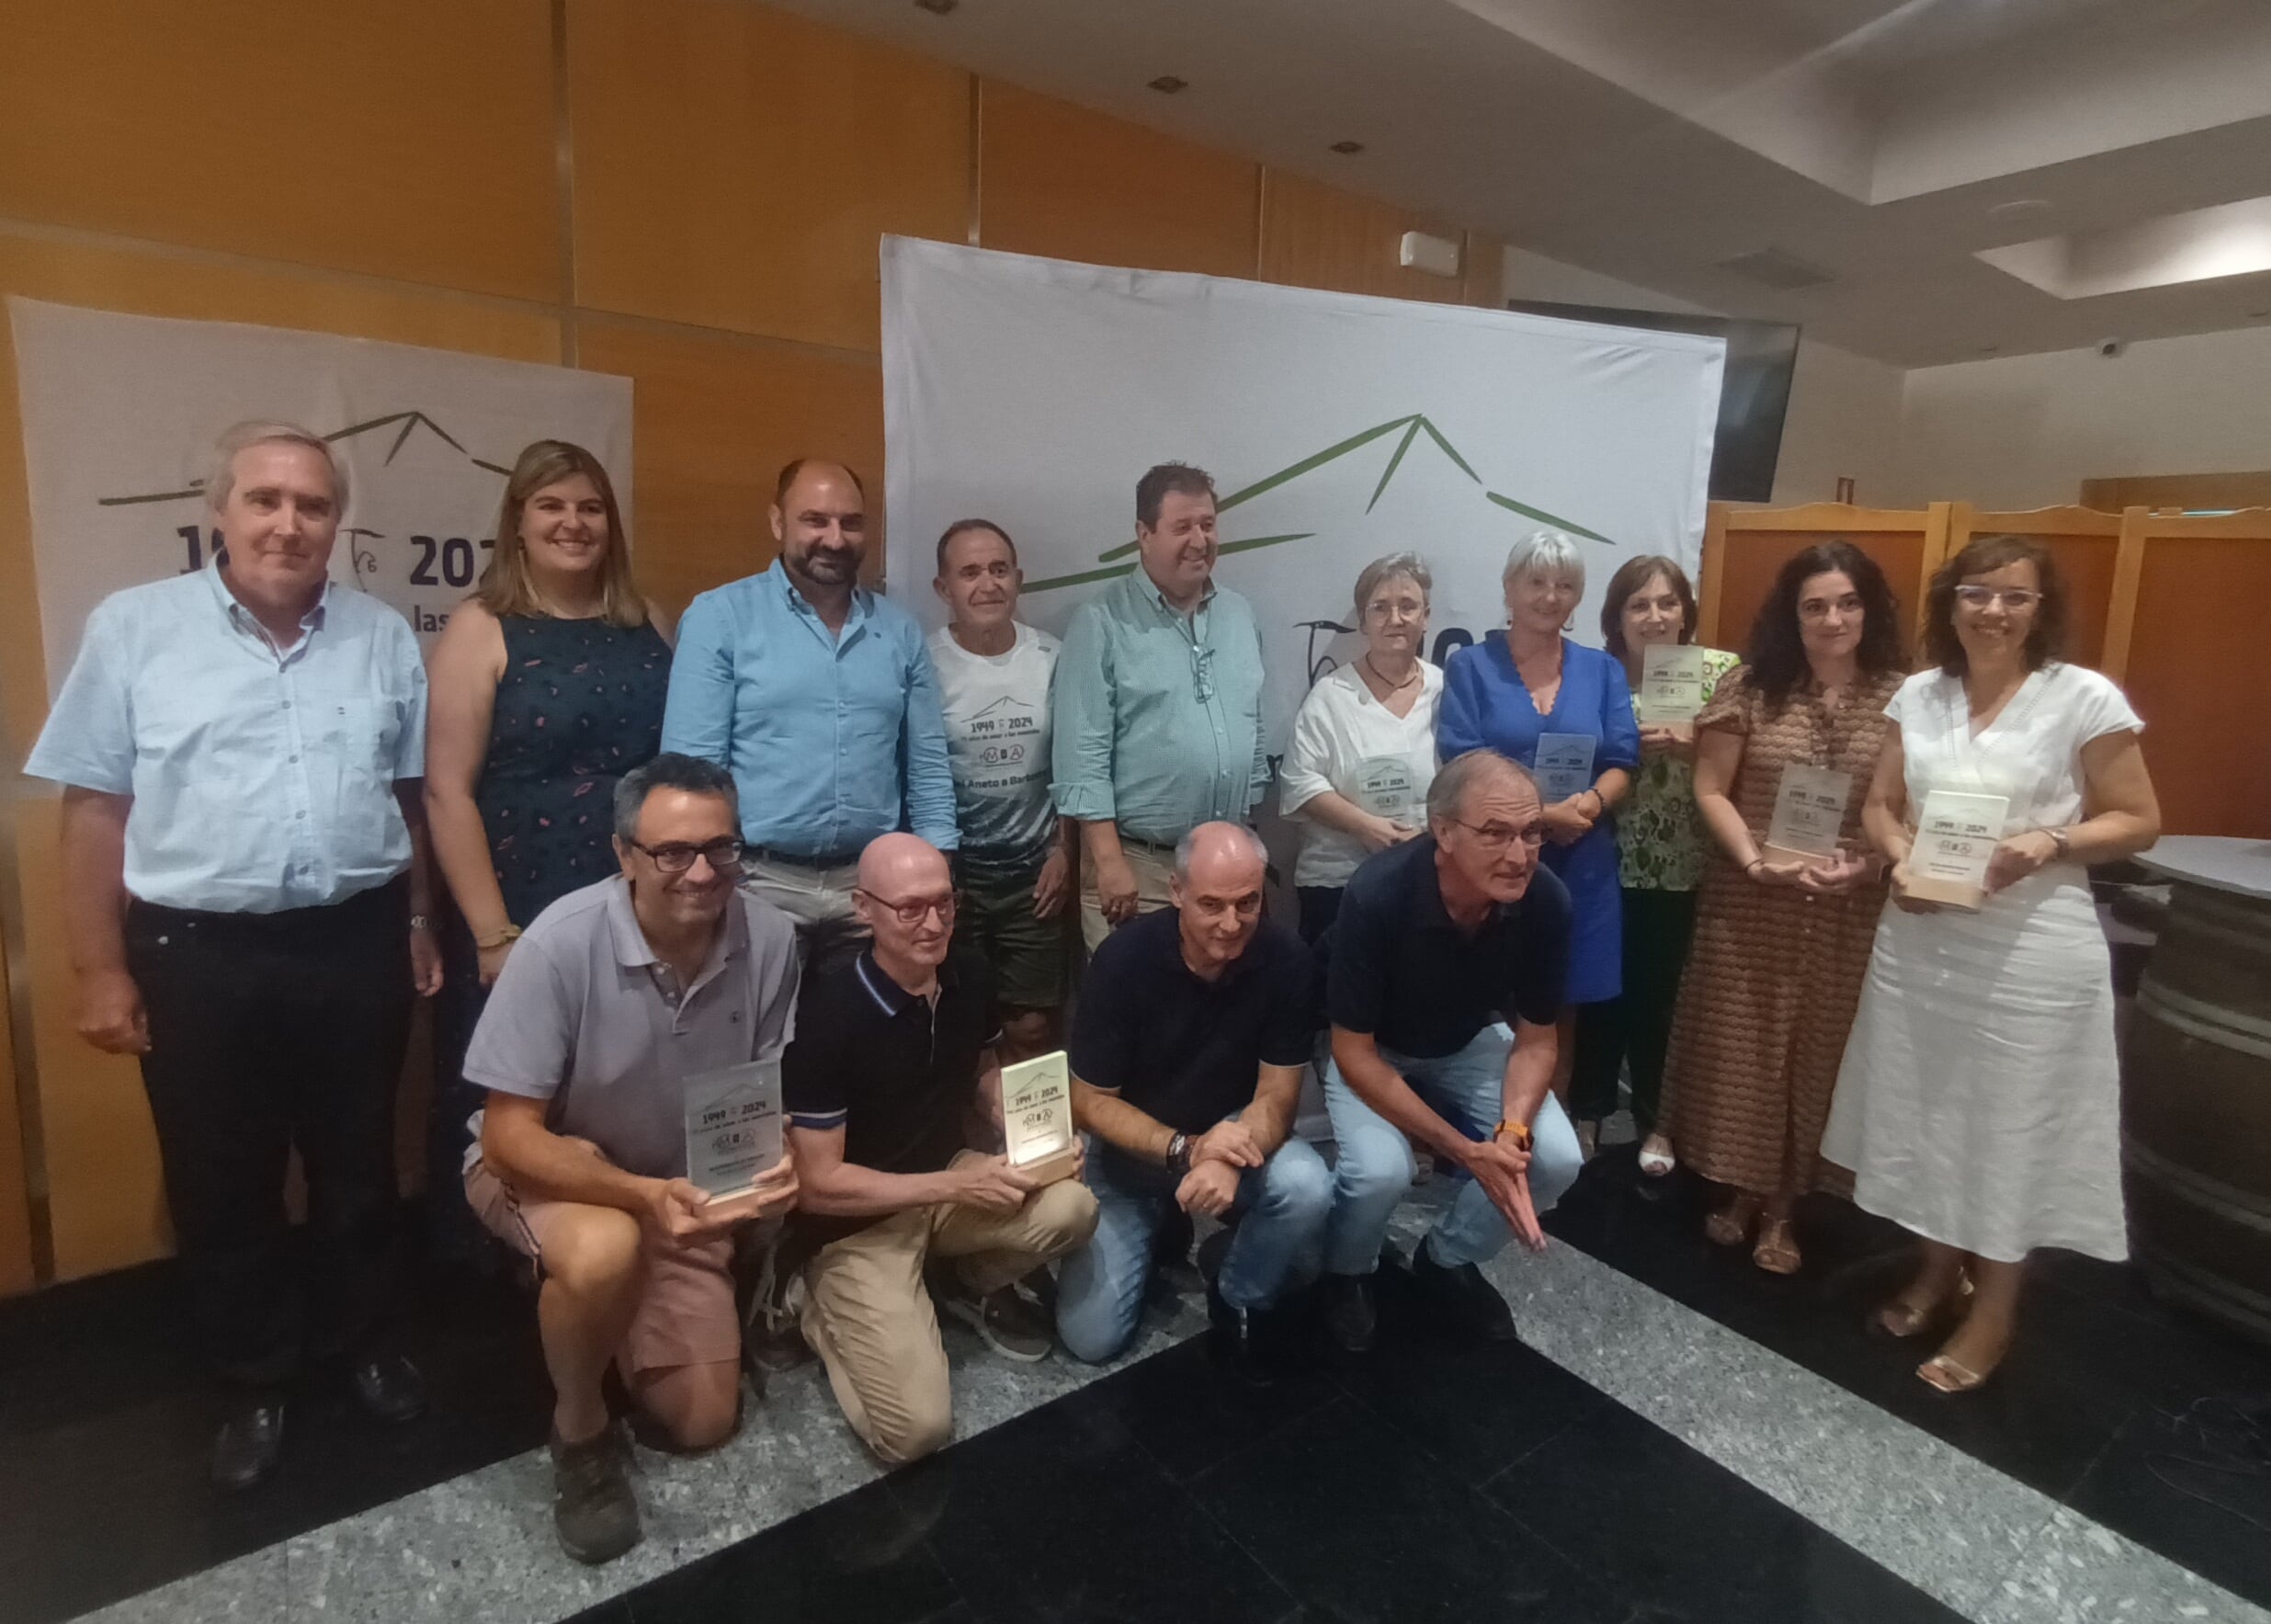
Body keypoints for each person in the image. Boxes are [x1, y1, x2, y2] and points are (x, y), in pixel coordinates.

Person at [26, 420, 441, 1492]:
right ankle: (254, 1374)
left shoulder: (382, 636)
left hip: (353, 940)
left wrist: (414, 921)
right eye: (265, 500)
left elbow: (409, 802)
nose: (287, 523)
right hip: (196, 953)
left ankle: (363, 1343)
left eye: (311, 505)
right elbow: (93, 809)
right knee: (223, 1180)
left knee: (358, 1162)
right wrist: (100, 968)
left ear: (336, 523)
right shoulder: (135, 629)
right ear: (220, 510)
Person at [1825, 537, 2160, 1392]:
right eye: (1977, 593)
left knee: (2006, 1129)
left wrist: (2049, 839)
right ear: (1951, 601)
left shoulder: (2082, 698)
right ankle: (1938, 1270)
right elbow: (1879, 805)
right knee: (1926, 1111)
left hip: (2029, 952)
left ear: (2040, 609)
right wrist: (1898, 855)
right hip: (1923, 936)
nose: (1993, 611)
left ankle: (1995, 1310)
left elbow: (2137, 819)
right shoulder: (1919, 693)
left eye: (2015, 597)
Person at [461, 754, 800, 1563]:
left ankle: (595, 1302)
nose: (701, 871)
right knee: (602, 1247)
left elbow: (757, 1095)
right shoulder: (557, 943)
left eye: (721, 848)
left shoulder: (775, 936)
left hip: (676, 1189)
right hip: (552, 1170)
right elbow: (508, 1136)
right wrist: (639, 1196)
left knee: (703, 1418)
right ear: (624, 855)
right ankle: (579, 1429)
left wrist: (773, 1156)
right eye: (671, 851)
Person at [423, 440, 672, 1266]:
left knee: (615, 1085)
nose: (574, 522)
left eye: (590, 506)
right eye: (552, 506)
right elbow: (446, 792)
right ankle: (499, 1284)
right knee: (510, 1099)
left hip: (633, 904)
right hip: (520, 905)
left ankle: (616, 1263)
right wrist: (493, 934)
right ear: (518, 524)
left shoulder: (647, 623)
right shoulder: (481, 626)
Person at [781, 835, 1099, 1464]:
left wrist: (1016, 1121)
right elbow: (818, 1183)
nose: (932, 924)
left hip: (945, 1180)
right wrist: (956, 1186)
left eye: (945, 904)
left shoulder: (967, 972)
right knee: (916, 1431)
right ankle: (813, 1301)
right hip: (854, 1222)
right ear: (863, 908)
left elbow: (981, 1068)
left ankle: (964, 1281)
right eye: (910, 909)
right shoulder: (826, 1015)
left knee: (1074, 1205)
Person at [1656, 541, 1906, 1275]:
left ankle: (1788, 1205)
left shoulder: (1905, 698)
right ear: (1790, 615)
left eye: (1847, 602)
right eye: (1815, 605)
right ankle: (1741, 1189)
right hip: (1751, 904)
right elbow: (1710, 788)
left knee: (1819, 1052)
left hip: (1845, 908)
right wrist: (1755, 860)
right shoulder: (1750, 686)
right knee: (1746, 1051)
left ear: (1869, 609)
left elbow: (1903, 808)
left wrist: (1863, 867)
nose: (1832, 618)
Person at [1317, 749, 1584, 1353]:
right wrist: (1465, 1149)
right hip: (1374, 1049)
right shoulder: (1377, 893)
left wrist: (1510, 1134)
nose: (1519, 855)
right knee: (1381, 1169)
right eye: (1494, 833)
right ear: (1442, 830)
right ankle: (1346, 1271)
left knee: (1553, 1159)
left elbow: (1538, 1035)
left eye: (1531, 832)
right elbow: (1352, 1050)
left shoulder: (1546, 899)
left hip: (1466, 1037)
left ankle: (1447, 1255)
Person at [1055, 823, 1334, 1383]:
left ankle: (1237, 1292)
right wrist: (1187, 1150)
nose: (1231, 924)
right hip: (1129, 1156)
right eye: (1211, 904)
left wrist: (1223, 1155)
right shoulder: (1122, 960)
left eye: (1247, 903)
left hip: (1227, 1135)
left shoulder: (1287, 960)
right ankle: (1162, 1223)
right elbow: (1089, 1103)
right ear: (1177, 891)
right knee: (1092, 1341)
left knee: (1307, 1187)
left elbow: (1278, 1096)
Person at [662, 458, 956, 964]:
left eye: (851, 522)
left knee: (865, 1041)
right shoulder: (721, 618)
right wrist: (707, 880)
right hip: (756, 883)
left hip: (873, 889)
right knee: (761, 1043)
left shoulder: (900, 631)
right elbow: (692, 775)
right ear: (778, 523)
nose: (836, 539)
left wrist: (935, 879)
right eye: (815, 520)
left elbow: (927, 767)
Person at [1438, 531, 1639, 1133]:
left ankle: (1541, 1134)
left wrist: (1590, 804)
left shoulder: (1601, 670)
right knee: (1483, 1001)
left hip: (1582, 857)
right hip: (1492, 858)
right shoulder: (1470, 666)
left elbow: (1623, 757)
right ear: (1508, 589)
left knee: (1561, 1003)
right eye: (1536, 582)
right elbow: (1458, 757)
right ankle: (1472, 1137)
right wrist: (1539, 818)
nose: (1549, 597)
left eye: (1564, 585)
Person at [1053, 463, 1270, 952]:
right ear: (1143, 534)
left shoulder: (1240, 614)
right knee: (1140, 1019)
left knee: (1223, 1020)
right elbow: (1081, 757)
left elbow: (1253, 727)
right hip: (1140, 872)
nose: (1199, 540)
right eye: (1182, 527)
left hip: (1228, 875)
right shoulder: (1101, 622)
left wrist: (1247, 837)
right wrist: (1109, 864)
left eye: (1208, 525)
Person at [1568, 556, 1738, 1175]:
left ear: (1685, 610)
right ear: (1616, 617)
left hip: (1685, 866)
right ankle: (1585, 1109)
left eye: (1667, 602)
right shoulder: (1596, 676)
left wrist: (1700, 747)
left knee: (1662, 1000)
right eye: (1638, 605)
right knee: (1599, 992)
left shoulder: (1721, 674)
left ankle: (1656, 1122)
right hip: (1603, 858)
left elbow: (1747, 770)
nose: (1655, 616)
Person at [927, 519, 1076, 1059]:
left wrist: (1065, 849)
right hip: (954, 875)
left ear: (1019, 579)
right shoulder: (924, 664)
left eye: (999, 569)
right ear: (943, 589)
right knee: (960, 1024)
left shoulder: (1053, 659)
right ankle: (975, 1137)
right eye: (969, 573)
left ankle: (1035, 1143)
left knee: (1032, 1026)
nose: (987, 584)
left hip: (1034, 875)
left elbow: (1074, 762)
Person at [1279, 552, 1444, 945]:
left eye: (1408, 606)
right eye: (1380, 607)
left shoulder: (1446, 689)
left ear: (1426, 616)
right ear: (1363, 620)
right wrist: (1366, 827)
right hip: (1339, 882)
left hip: (1428, 878)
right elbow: (1300, 783)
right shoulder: (1331, 696)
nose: (1395, 618)